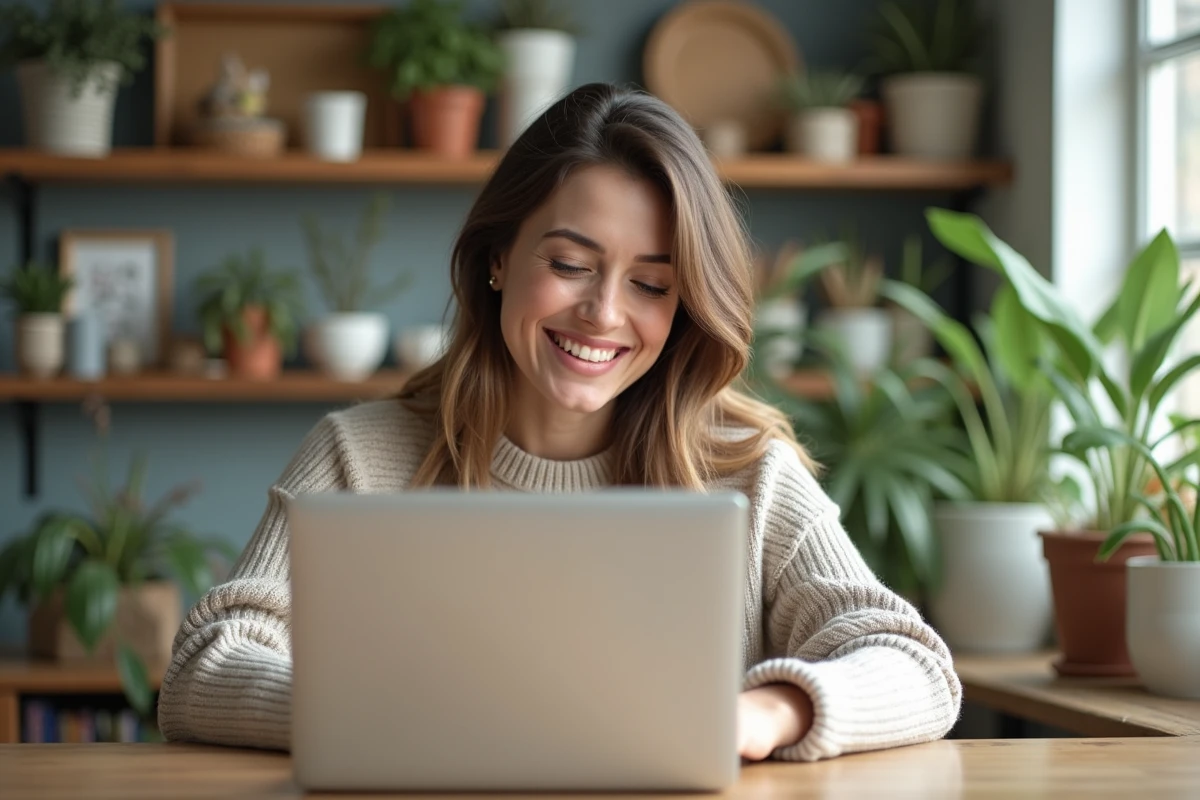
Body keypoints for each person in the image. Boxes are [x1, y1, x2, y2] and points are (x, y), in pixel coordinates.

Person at [158, 82, 961, 762]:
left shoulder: (750, 475)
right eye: (571, 265)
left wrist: (762, 714)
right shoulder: (357, 457)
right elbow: (204, 667)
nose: (603, 313)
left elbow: (915, 665)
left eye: (651, 284)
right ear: (499, 258)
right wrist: (398, 716)